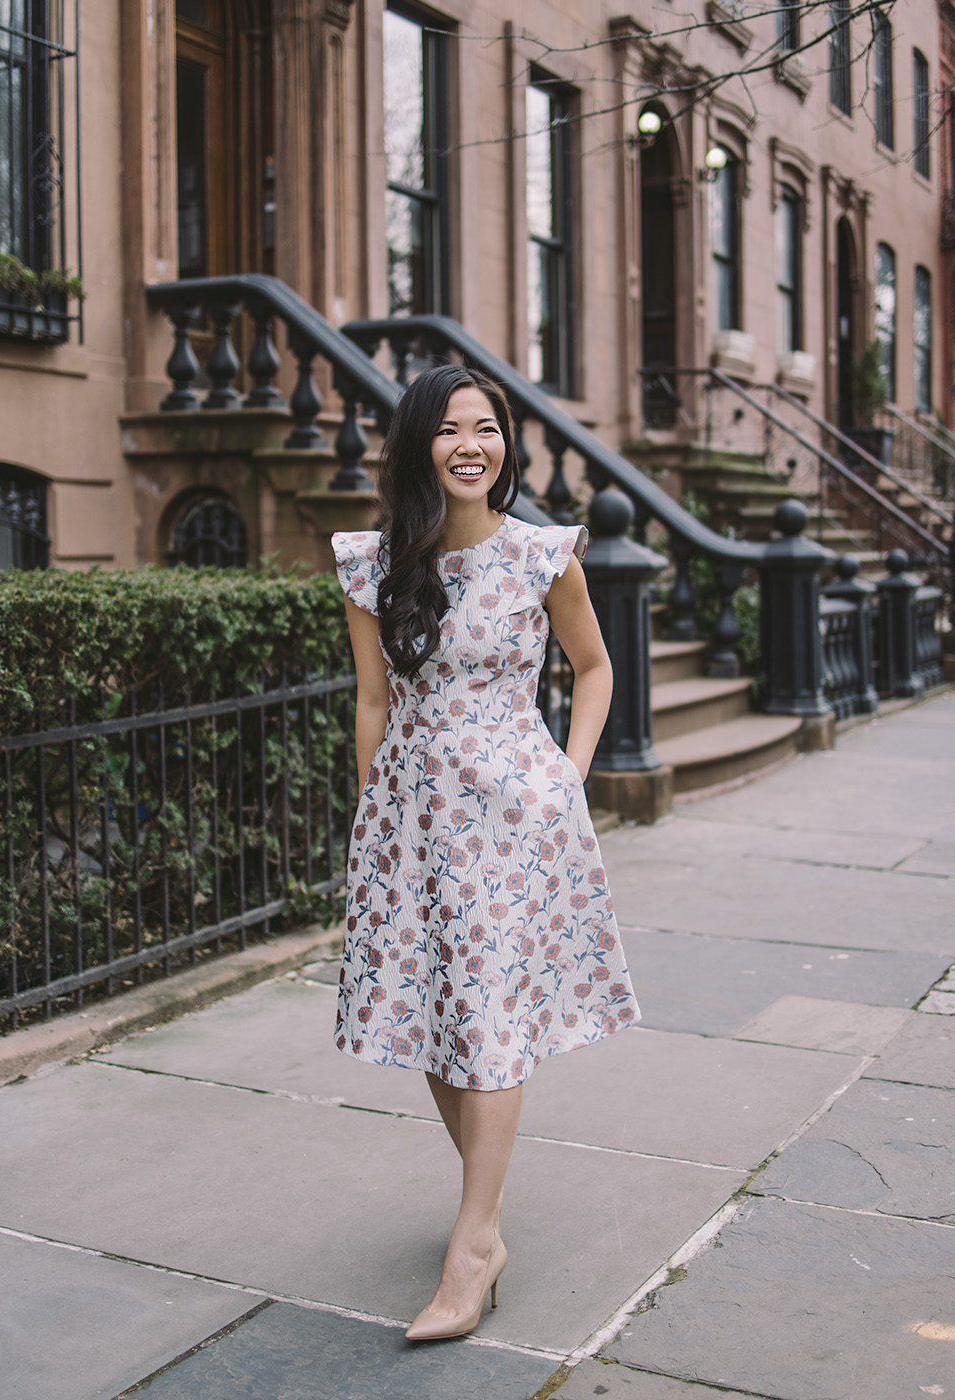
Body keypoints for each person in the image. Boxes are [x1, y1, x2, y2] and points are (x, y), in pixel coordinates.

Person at [331, 363, 639, 1342]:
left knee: (490, 1019)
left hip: (515, 821)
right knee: (432, 1012)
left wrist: (568, 776)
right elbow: (373, 700)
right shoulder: (373, 562)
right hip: (411, 820)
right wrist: (373, 813)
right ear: (419, 444)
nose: (473, 444)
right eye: (451, 429)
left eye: (488, 427)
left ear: (504, 444)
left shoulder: (541, 555)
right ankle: (484, 1202)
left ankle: (473, 1244)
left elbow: (592, 668)